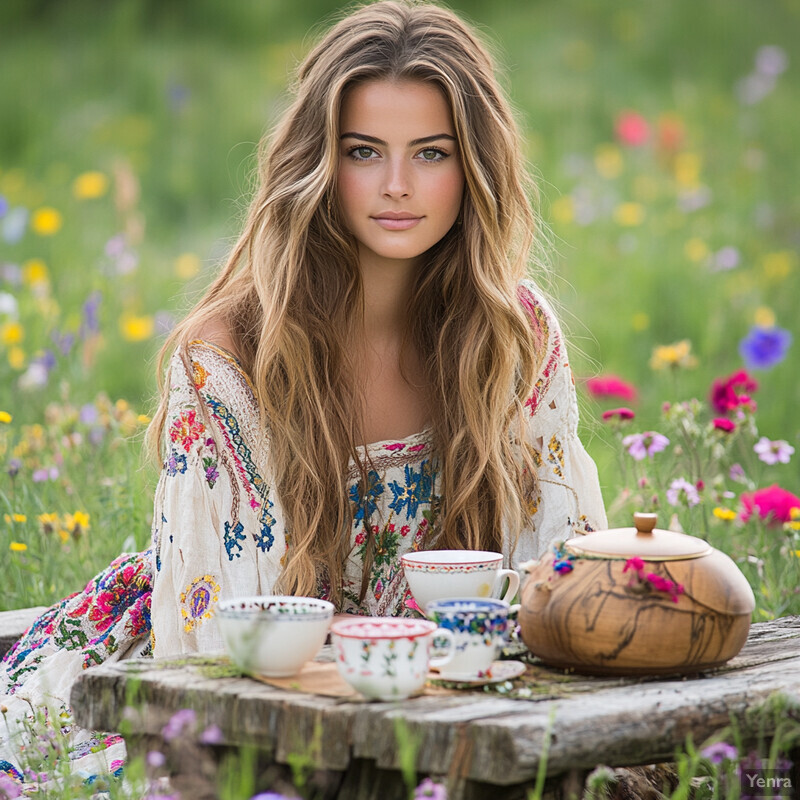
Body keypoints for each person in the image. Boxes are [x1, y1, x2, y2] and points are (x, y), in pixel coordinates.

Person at [0, 0, 606, 784]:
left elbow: (559, 587)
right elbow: (212, 663)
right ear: (319, 162)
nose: (396, 186)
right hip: (189, 690)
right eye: (363, 151)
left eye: (430, 153)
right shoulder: (229, 361)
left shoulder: (513, 338)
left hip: (431, 703)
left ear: (475, 167)